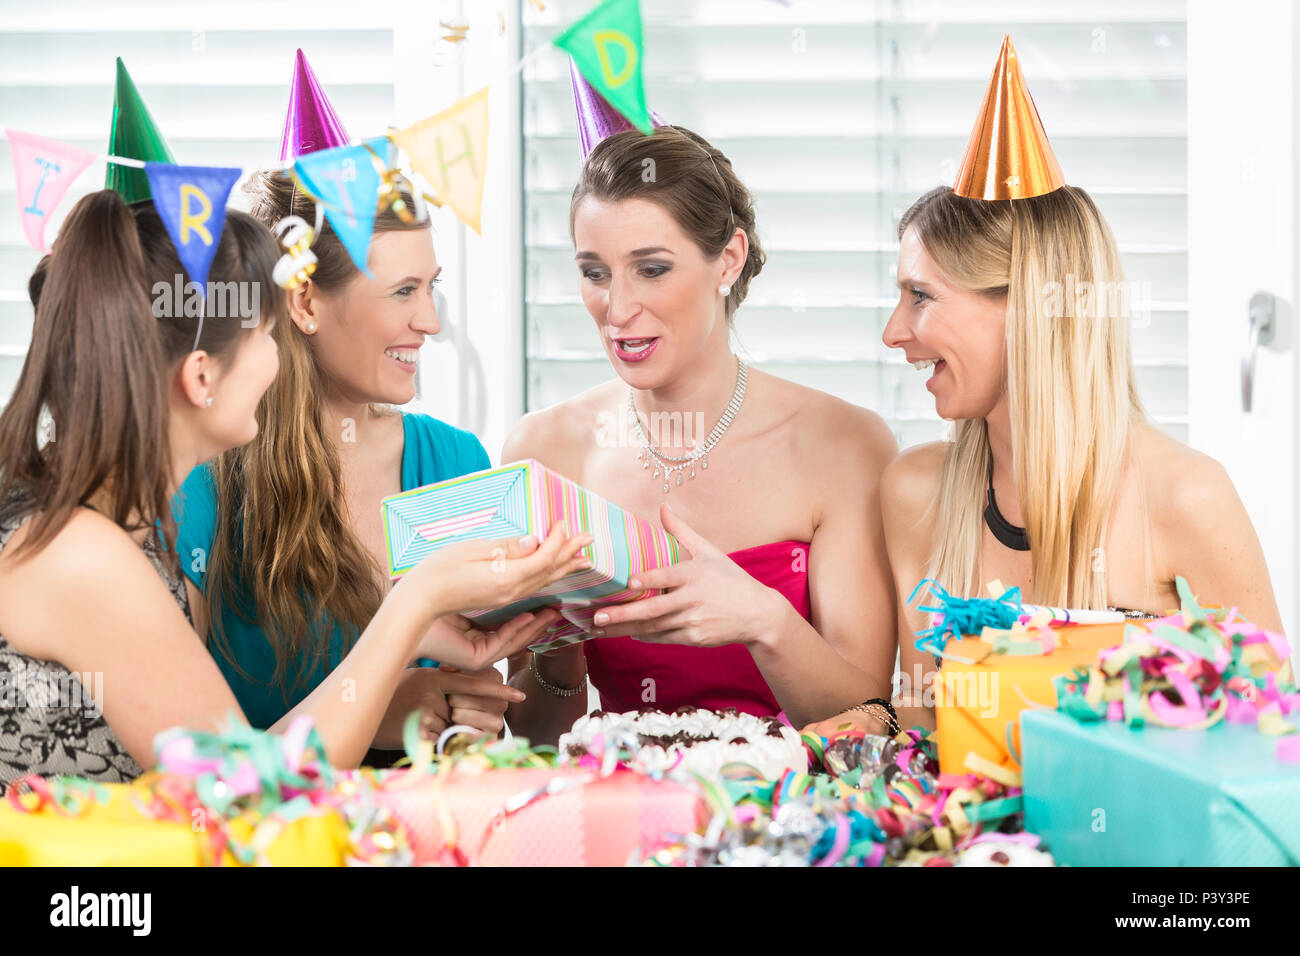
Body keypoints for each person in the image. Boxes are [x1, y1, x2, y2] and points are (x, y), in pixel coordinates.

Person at [0, 190, 591, 790]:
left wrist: (415, 623)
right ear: (201, 377)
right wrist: (414, 604)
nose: (278, 360)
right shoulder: (83, 555)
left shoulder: (108, 530)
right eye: (263, 335)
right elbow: (247, 793)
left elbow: (237, 767)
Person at [807, 39, 1282, 737]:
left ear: (1027, 306)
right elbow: (926, 743)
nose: (893, 332)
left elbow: (1277, 747)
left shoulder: (1187, 499)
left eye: (920, 297)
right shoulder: (915, 492)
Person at [502, 125, 900, 745]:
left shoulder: (845, 445)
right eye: (595, 272)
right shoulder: (543, 450)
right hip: (617, 817)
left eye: (652, 269)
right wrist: (556, 652)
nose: (617, 307)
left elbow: (872, 726)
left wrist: (766, 622)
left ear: (729, 260)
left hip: (795, 824)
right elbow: (534, 740)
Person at [173, 171, 549, 754]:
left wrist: (470, 711)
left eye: (432, 287)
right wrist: (376, 707)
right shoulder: (204, 487)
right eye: (403, 291)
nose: (431, 321)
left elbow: (498, 718)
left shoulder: (456, 461)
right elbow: (192, 779)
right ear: (304, 303)